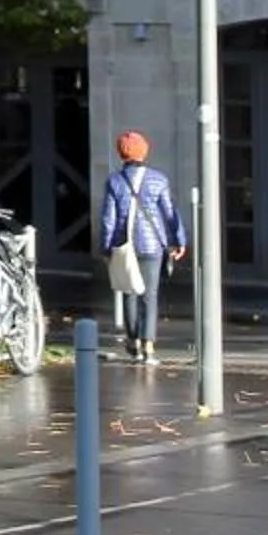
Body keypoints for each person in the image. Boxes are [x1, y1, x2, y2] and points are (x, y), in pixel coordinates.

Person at [96, 130, 185, 363]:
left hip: (125, 245)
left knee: (129, 292)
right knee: (150, 295)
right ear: (144, 151)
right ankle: (149, 345)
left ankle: (133, 341)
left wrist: (106, 247)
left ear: (121, 152)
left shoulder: (114, 181)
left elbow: (108, 219)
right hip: (152, 246)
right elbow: (170, 213)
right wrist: (179, 239)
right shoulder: (158, 180)